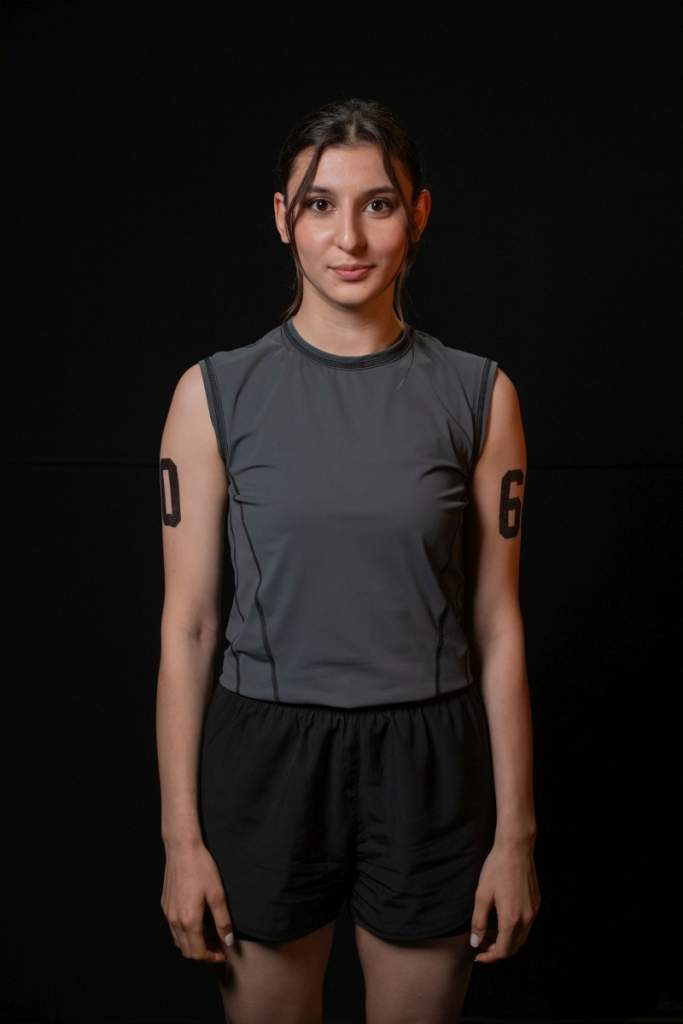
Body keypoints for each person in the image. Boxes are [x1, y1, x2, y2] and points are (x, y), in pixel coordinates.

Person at [156, 97, 540, 1024]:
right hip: (266, 756)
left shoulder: (479, 394)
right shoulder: (213, 394)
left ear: (418, 215)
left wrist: (516, 837)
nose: (349, 238)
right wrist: (180, 839)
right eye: (320, 205)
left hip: (428, 761)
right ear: (282, 218)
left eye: (378, 204)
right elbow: (189, 627)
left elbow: (497, 625)